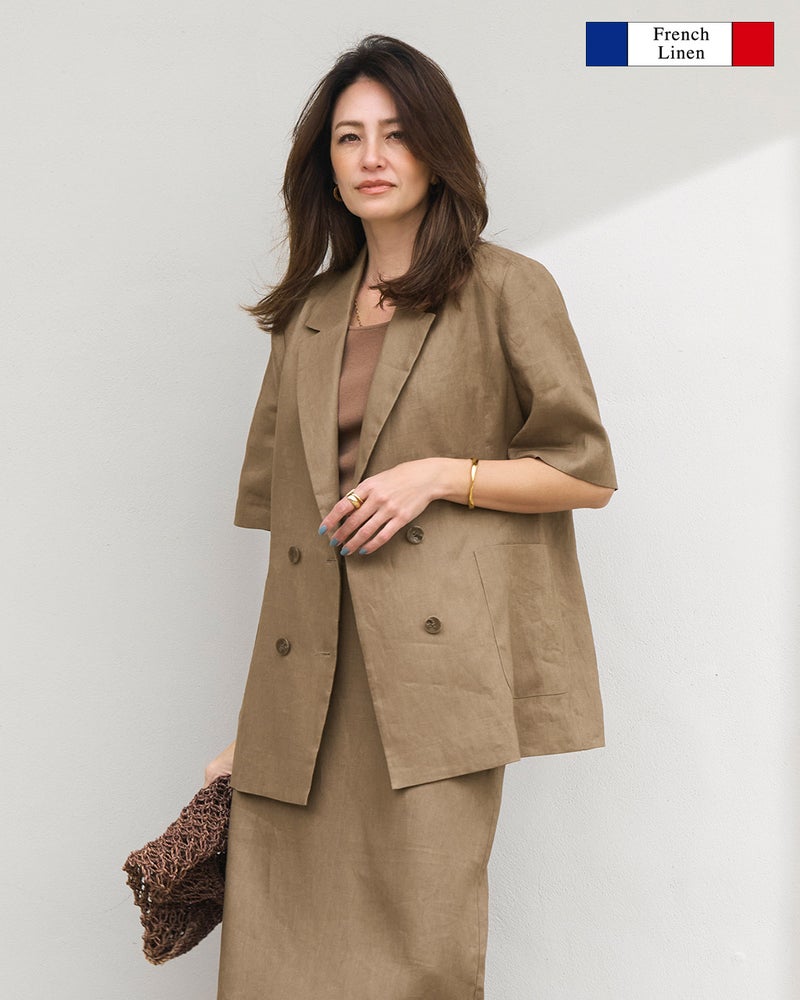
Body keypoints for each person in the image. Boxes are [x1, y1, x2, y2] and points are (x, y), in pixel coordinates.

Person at [208, 34, 617, 1000]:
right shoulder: (307, 316)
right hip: (306, 687)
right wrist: (250, 729)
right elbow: (293, 544)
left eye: (396, 133)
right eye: (348, 138)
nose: (372, 157)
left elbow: (584, 472)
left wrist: (437, 475)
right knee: (273, 958)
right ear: (327, 167)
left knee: (424, 951)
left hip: (435, 677)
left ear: (437, 150)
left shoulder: (506, 287)